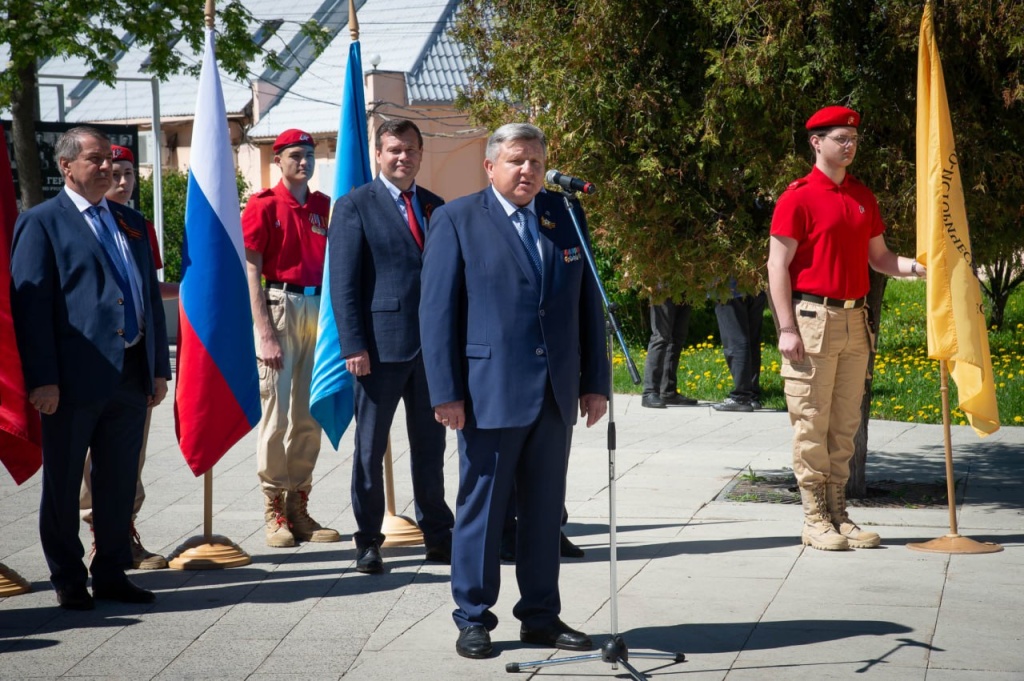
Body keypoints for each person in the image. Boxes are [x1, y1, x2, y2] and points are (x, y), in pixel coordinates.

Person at [420, 123, 610, 660]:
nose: (528, 170)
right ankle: (474, 616)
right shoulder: (456, 219)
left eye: (536, 162)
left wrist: (595, 383)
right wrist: (446, 392)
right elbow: (436, 313)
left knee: (545, 512)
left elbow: (587, 304)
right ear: (490, 167)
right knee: (482, 510)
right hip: (488, 392)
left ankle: (541, 616)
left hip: (554, 393)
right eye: (516, 161)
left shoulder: (563, 214)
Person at [10, 126, 171, 609]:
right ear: (66, 167)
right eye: (95, 159)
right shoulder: (42, 222)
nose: (107, 167)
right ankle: (68, 577)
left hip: (130, 373)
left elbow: (147, 296)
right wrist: (43, 379)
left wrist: (157, 368)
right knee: (64, 484)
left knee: (119, 480)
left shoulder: (131, 221)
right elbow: (32, 309)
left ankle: (112, 572)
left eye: (110, 160)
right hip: (72, 379)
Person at [767, 105, 925, 552]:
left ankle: (839, 514)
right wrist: (786, 327)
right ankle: (814, 518)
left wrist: (918, 268)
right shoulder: (797, 197)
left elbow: (880, 257)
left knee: (844, 424)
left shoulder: (862, 196)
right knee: (811, 422)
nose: (849, 145)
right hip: (812, 319)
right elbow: (777, 265)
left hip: (856, 320)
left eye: (853, 138)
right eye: (841, 138)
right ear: (816, 142)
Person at [330, 119, 454, 573]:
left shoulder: (436, 206)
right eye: (394, 150)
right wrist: (353, 345)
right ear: (379, 154)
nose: (403, 157)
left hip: (431, 352)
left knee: (431, 448)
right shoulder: (354, 205)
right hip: (377, 352)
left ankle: (438, 535)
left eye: (411, 150)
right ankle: (368, 541)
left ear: (421, 153)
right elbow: (343, 283)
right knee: (369, 449)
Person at [78, 144, 177, 570]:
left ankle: (122, 532)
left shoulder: (137, 226)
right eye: (114, 173)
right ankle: (97, 533)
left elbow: (147, 292)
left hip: (134, 359)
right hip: (89, 360)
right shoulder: (75, 221)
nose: (121, 182)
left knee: (129, 453)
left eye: (128, 175)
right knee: (88, 456)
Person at [243, 129, 339, 548]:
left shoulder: (324, 207)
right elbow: (251, 271)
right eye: (296, 155)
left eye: (310, 155)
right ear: (278, 160)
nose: (304, 162)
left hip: (318, 309)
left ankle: (298, 505)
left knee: (308, 413)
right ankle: (274, 509)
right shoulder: (263, 205)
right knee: (276, 414)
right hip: (280, 305)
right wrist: (265, 333)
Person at [712, 286, 767, 412]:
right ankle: (751, 395)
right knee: (752, 342)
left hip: (728, 289)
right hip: (756, 289)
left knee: (734, 342)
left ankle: (741, 397)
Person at [641, 298, 697, 408]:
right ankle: (650, 392)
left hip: (687, 291)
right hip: (663, 290)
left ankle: (668, 392)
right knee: (660, 338)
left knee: (677, 338)